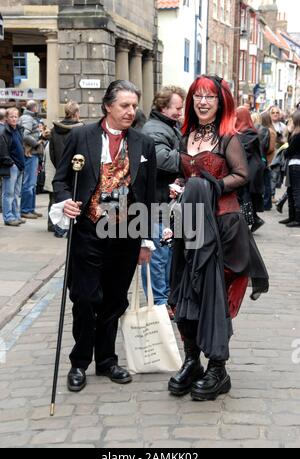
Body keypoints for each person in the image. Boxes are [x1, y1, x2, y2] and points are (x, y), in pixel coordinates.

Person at [166, 75, 269, 401]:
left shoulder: (229, 138)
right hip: (190, 224)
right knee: (187, 292)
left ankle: (217, 367)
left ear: (220, 101)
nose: (203, 102)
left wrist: (212, 186)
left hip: (223, 227)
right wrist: (180, 187)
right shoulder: (185, 136)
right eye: (198, 96)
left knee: (214, 295)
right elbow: (184, 175)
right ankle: (192, 360)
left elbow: (242, 175)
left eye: (210, 97)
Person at [52, 80, 157, 392]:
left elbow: (148, 194)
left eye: (134, 106)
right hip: (88, 230)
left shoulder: (143, 143)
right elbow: (61, 179)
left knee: (114, 300)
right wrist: (64, 201)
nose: (130, 111)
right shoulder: (81, 136)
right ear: (108, 106)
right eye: (124, 105)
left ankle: (107, 360)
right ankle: (79, 361)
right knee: (85, 297)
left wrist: (146, 238)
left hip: (126, 233)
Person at [142, 86, 186, 319]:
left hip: (169, 203)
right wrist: (193, 157)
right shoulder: (154, 129)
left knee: (168, 254)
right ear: (163, 107)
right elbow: (163, 160)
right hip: (157, 203)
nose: (180, 112)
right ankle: (159, 301)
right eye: (177, 108)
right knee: (157, 255)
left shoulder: (168, 126)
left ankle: (166, 299)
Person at [48, 101, 84, 237]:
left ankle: (58, 228)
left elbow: (51, 152)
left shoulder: (54, 130)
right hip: (77, 169)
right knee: (74, 199)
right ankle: (71, 229)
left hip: (60, 167)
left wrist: (59, 165)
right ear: (76, 113)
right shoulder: (81, 130)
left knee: (59, 197)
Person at [235, 106, 265, 233]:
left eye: (236, 116)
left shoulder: (249, 133)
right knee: (245, 195)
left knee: (246, 195)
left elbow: (243, 151)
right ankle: (252, 219)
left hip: (251, 170)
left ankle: (249, 220)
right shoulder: (244, 132)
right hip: (248, 169)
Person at [0, 107, 25, 226]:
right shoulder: (4, 131)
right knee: (8, 193)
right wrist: (11, 163)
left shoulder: (18, 130)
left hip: (20, 166)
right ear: (6, 118)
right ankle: (8, 217)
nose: (14, 119)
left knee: (16, 194)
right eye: (11, 117)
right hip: (11, 166)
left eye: (16, 116)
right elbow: (3, 151)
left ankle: (16, 215)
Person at [19, 100, 43, 219]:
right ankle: (25, 210)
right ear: (34, 108)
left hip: (33, 154)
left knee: (32, 184)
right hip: (30, 154)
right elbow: (25, 135)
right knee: (29, 183)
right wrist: (36, 144)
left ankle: (30, 209)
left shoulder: (29, 117)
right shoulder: (28, 118)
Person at [282, 111, 300, 228]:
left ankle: (297, 219)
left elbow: (290, 150)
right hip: (294, 163)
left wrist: (284, 151)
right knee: (291, 191)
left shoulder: (298, 136)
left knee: (296, 192)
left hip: (295, 164)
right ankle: (292, 217)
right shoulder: (295, 134)